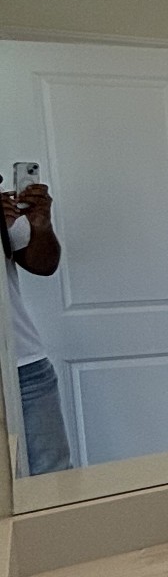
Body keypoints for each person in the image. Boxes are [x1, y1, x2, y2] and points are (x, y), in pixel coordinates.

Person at [2, 176, 73, 474]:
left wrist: (41, 224)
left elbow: (43, 265)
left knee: (54, 479)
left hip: (26, 367)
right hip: (22, 366)